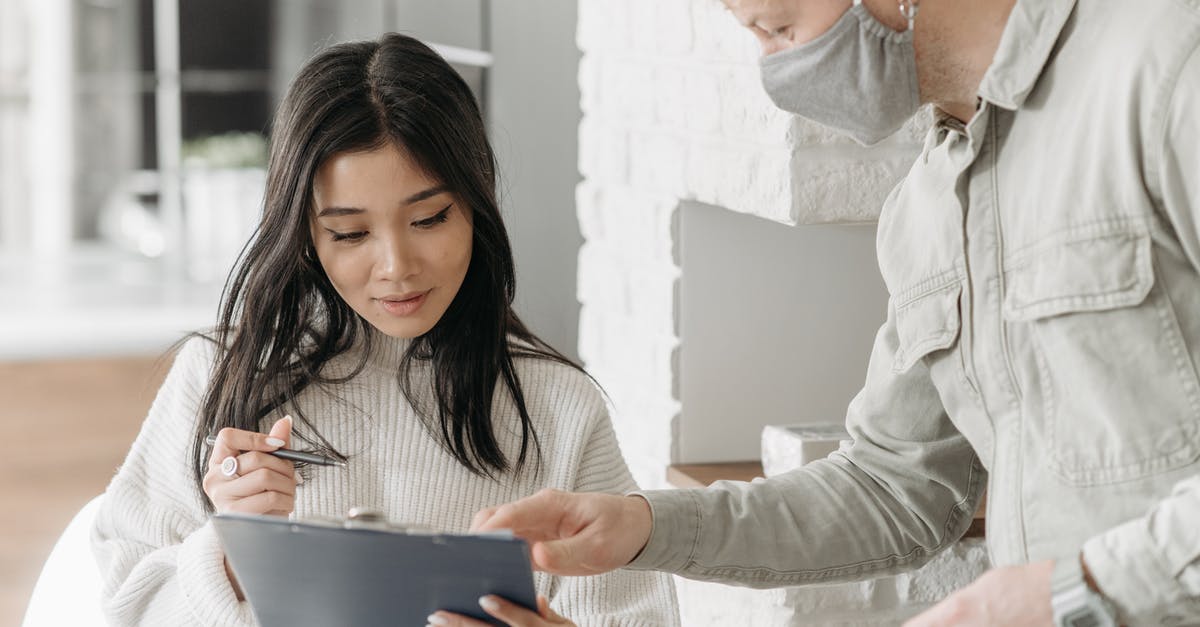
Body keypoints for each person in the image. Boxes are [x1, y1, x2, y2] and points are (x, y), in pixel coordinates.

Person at [471, 0, 1200, 625]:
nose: (779, 72)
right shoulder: (928, 209)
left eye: (780, 27)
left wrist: (1075, 591)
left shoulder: (1167, 62)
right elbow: (891, 488)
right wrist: (644, 526)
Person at [90, 33, 678, 627]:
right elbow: (121, 612)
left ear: (476, 202)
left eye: (429, 218)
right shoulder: (220, 378)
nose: (396, 268)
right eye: (349, 234)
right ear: (305, 234)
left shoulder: (560, 411)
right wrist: (232, 557)